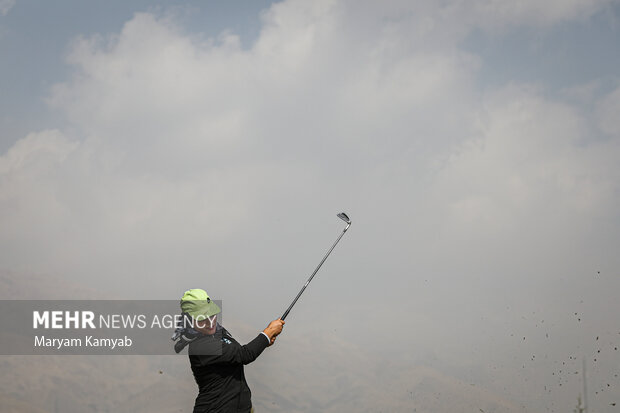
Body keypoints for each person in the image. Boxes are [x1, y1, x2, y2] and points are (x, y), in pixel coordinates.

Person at [178, 288, 284, 413]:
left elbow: (237, 352)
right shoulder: (201, 346)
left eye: (211, 315)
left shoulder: (218, 332)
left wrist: (263, 343)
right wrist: (268, 332)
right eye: (202, 319)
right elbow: (244, 355)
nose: (210, 322)